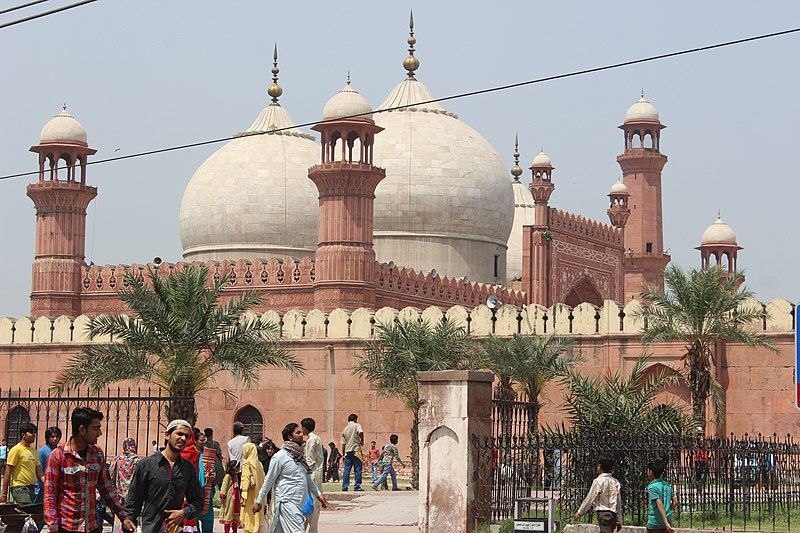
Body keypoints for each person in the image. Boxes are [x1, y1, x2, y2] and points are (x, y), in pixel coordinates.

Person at [44, 407, 134, 533]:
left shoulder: (97, 454)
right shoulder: (58, 456)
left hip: (92, 526)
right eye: (96, 429)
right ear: (82, 429)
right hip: (67, 527)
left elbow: (107, 488)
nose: (100, 433)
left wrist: (123, 516)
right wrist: (53, 527)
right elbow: (50, 495)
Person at [125, 420, 204, 533]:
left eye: (187, 436)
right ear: (167, 435)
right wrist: (128, 526)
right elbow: (133, 501)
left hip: (175, 529)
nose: (183, 438)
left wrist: (183, 513)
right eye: (179, 434)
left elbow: (198, 502)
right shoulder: (146, 465)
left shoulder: (187, 468)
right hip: (151, 529)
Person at [253, 423, 328, 533]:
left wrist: (318, 494)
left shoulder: (301, 458)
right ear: (290, 437)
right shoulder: (280, 457)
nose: (302, 434)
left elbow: (307, 479)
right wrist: (259, 501)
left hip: (298, 504)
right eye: (298, 433)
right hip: (287, 503)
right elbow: (269, 480)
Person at [572, 457, 622, 533]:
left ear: (600, 466)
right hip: (613, 514)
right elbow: (618, 502)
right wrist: (619, 520)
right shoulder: (615, 482)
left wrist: (579, 513)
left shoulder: (598, 481)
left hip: (603, 514)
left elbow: (590, 498)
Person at [1, 422, 44, 505]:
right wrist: (4, 494)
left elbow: (40, 472)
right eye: (31, 432)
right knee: (28, 512)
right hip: (19, 488)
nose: (34, 435)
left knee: (26, 514)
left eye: (35, 433)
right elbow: (7, 472)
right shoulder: (16, 450)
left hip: (31, 488)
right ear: (23, 434)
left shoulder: (34, 451)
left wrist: (48, 483)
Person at [109, 438, 141, 532]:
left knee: (119, 520)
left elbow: (110, 475)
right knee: (132, 522)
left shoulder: (117, 459)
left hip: (120, 497)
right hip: (134, 497)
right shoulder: (139, 461)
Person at [301, 418, 324, 533]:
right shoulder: (317, 438)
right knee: (314, 504)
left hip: (313, 474)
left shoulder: (311, 440)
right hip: (317, 474)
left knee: (311, 504)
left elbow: (310, 461)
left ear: (304, 428)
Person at [646, 458, 677, 533]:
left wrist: (665, 522)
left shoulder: (652, 487)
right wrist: (667, 511)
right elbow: (675, 502)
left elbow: (659, 503)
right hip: (667, 521)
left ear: (651, 472)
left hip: (654, 522)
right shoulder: (667, 485)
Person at [239, 442, 265, 533]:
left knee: (249, 520)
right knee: (256, 521)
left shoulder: (246, 463)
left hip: (250, 496)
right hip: (258, 497)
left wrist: (243, 495)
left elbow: (245, 480)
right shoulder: (259, 464)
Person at [35, 426, 61, 503]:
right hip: (42, 488)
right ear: (47, 438)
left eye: (57, 437)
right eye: (52, 437)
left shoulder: (60, 451)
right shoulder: (42, 452)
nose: (55, 439)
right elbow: (39, 471)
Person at [340, 413, 364, 491]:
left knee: (346, 470)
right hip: (356, 450)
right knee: (358, 469)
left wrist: (343, 454)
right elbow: (361, 432)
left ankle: (345, 486)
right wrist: (362, 440)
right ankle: (357, 486)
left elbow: (343, 444)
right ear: (355, 419)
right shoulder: (357, 425)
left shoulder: (345, 429)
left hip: (347, 452)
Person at [219, 460, 241, 533]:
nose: (239, 469)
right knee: (228, 517)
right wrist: (223, 497)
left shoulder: (235, 477)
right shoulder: (227, 476)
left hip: (236, 501)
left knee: (235, 518)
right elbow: (223, 488)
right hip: (229, 501)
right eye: (238, 467)